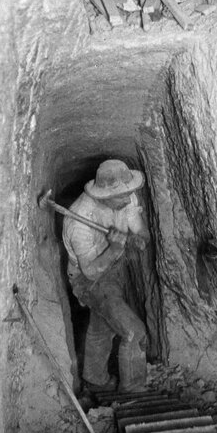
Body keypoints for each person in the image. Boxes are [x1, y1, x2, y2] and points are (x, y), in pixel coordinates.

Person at [62, 159, 150, 393]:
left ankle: (95, 380)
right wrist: (113, 248)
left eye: (129, 192)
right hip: (87, 279)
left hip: (113, 268)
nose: (128, 197)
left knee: (103, 325)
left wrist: (140, 238)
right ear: (103, 196)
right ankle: (133, 391)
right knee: (134, 331)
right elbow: (90, 272)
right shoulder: (78, 221)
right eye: (122, 196)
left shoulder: (125, 195)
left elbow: (140, 230)